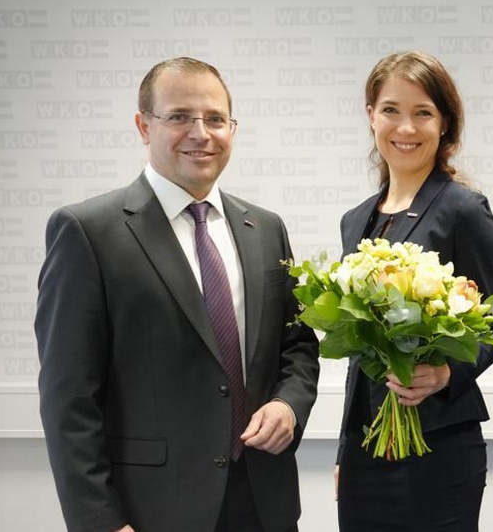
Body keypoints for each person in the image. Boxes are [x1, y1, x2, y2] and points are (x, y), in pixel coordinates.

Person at [35, 57, 320, 532]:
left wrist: (288, 404)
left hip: (265, 502)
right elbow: (68, 398)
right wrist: (100, 522)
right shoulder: (87, 232)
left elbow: (298, 345)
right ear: (143, 126)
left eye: (215, 119)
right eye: (179, 116)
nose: (200, 133)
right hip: (152, 512)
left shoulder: (265, 228)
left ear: (233, 127)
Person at [334, 50, 493, 532]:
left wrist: (446, 372)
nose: (405, 128)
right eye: (391, 110)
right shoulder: (355, 220)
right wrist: (347, 451)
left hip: (440, 446)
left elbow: (492, 323)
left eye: (422, 113)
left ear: (445, 123)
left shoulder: (464, 210)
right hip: (368, 450)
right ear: (371, 116)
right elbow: (360, 353)